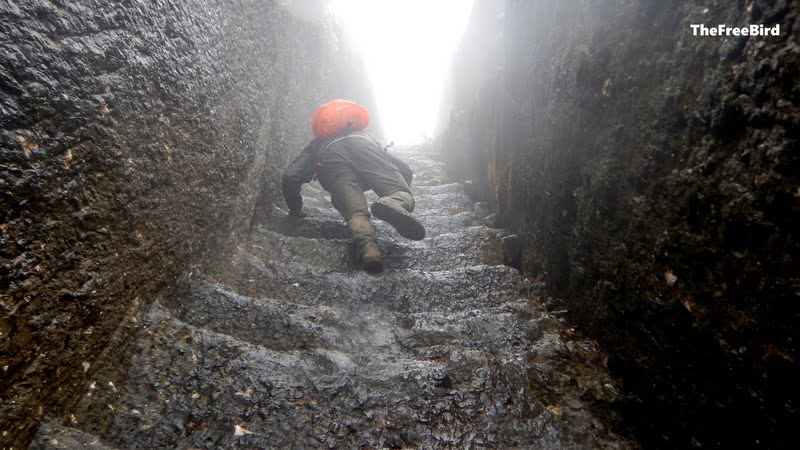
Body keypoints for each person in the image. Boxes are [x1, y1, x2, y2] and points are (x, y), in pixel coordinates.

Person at [282, 131, 425, 273]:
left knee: (356, 214)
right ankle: (393, 201)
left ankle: (369, 249)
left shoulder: (318, 142)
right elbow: (404, 168)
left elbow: (290, 176)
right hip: (367, 149)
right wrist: (402, 184)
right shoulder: (366, 135)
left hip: (332, 158)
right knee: (403, 194)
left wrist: (295, 208)